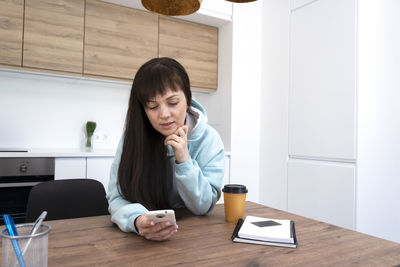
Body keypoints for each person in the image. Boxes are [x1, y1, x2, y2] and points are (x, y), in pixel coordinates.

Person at [107, 57, 225, 241]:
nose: (164, 114)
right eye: (153, 106)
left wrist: (184, 160)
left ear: (188, 99)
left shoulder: (209, 139)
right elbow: (117, 197)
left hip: (195, 240)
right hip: (140, 241)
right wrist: (138, 220)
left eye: (172, 102)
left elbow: (203, 206)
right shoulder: (132, 139)